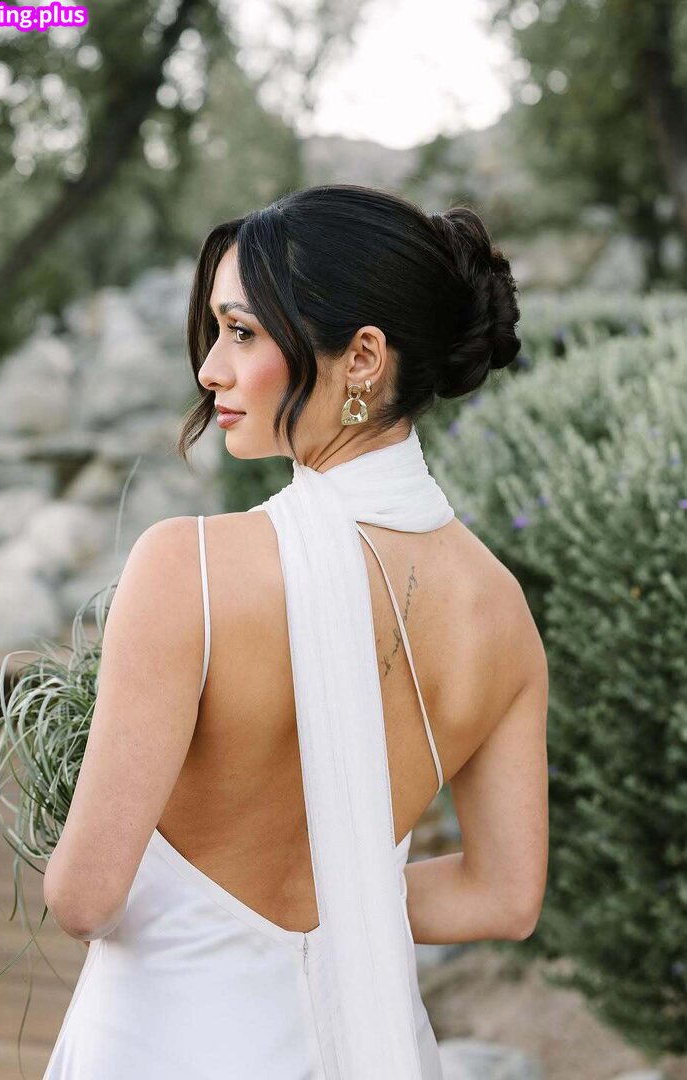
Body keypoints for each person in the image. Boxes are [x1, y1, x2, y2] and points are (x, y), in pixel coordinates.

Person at [41, 184, 549, 1079]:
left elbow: (85, 897)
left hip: (167, 1044)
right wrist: (344, 901)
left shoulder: (188, 570)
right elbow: (503, 898)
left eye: (242, 332)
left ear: (363, 358)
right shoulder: (501, 613)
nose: (211, 370)